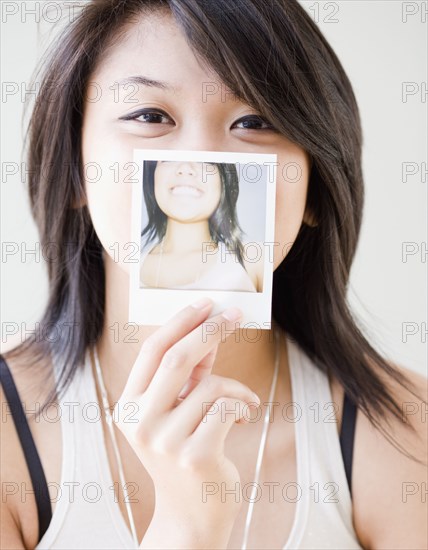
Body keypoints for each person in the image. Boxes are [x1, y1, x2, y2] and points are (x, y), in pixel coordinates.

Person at [1, 1, 426, 549]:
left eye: (254, 122)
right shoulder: (10, 435)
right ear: (75, 170)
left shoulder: (406, 434)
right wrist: (184, 526)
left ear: (314, 189)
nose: (198, 160)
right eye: (150, 117)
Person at [139, 160, 261, 291]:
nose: (185, 168)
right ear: (152, 175)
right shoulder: (128, 265)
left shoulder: (254, 259)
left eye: (206, 160)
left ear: (224, 180)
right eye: (169, 158)